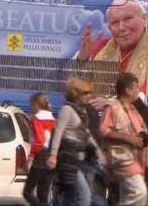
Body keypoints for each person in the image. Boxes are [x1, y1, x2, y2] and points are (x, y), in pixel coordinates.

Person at [46, 77, 100, 206]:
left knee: (71, 197)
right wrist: (53, 155)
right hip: (68, 158)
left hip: (78, 158)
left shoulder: (82, 111)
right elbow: (58, 132)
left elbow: (87, 135)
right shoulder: (67, 110)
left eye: (90, 92)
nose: (89, 96)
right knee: (84, 196)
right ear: (75, 93)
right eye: (85, 92)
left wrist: (100, 154)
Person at [77, 0, 147, 92]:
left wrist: (113, 104)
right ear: (109, 28)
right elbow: (80, 90)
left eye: (127, 19)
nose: (121, 27)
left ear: (144, 19)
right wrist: (82, 59)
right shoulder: (101, 47)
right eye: (115, 23)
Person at [100, 73, 148, 206]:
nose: (139, 90)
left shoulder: (133, 110)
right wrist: (128, 138)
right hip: (121, 157)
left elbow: (140, 130)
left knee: (128, 194)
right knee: (139, 192)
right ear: (127, 90)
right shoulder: (112, 107)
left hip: (135, 157)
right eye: (136, 87)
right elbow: (103, 130)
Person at [23, 93, 56, 206]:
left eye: (30, 104)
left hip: (40, 155)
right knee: (43, 193)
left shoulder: (36, 119)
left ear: (36, 104)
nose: (30, 107)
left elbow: (39, 141)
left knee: (27, 192)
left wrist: (30, 157)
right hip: (52, 155)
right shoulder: (53, 118)